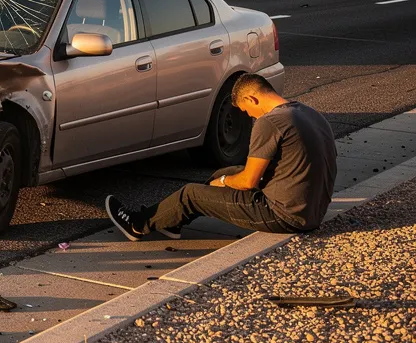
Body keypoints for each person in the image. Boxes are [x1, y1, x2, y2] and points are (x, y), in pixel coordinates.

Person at [106, 74, 337, 240]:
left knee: (191, 194)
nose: (251, 117)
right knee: (222, 173)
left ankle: (137, 225)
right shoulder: (308, 113)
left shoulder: (270, 122)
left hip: (284, 215)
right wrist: (224, 178)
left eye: (247, 111)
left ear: (252, 99)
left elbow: (248, 182)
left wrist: (224, 184)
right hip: (312, 210)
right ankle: (172, 222)